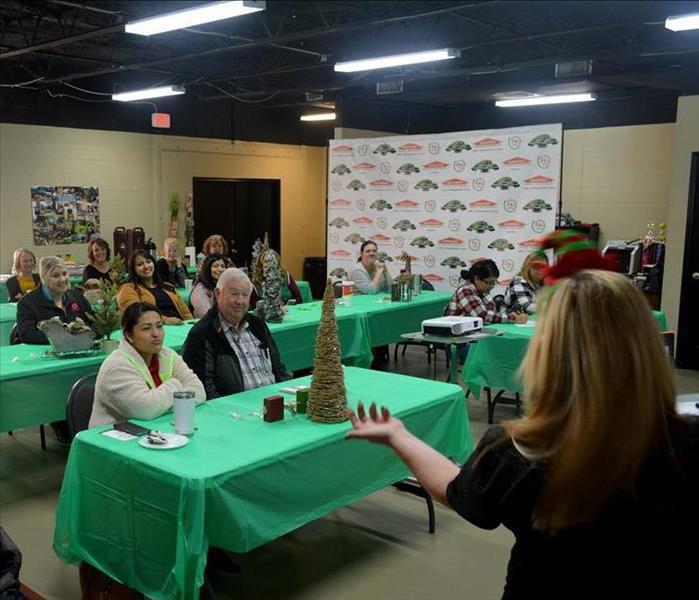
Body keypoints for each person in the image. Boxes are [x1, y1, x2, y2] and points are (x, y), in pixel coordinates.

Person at [347, 269, 698, 599]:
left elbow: (460, 494)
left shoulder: (517, 449)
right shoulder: (686, 442)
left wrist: (399, 436)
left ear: (549, 351)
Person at [89, 302, 205, 427]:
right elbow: (146, 409)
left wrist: (162, 405)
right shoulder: (116, 366)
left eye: (159, 326)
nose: (156, 334)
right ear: (128, 335)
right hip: (114, 439)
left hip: (159, 431)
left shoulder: (167, 354)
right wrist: (175, 385)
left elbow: (199, 392)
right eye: (146, 328)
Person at [182, 268, 290, 399]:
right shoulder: (202, 334)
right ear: (217, 294)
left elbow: (278, 368)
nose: (240, 301)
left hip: (273, 403)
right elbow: (204, 389)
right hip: (233, 412)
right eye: (234, 294)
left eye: (245, 295)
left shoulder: (257, 325)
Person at [15, 256, 94, 345]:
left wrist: (86, 331)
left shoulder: (77, 297)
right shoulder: (27, 303)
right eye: (56, 276)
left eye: (64, 274)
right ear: (44, 279)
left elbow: (96, 323)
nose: (63, 279)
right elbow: (27, 335)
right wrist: (66, 336)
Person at [116, 250, 192, 324]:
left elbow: (185, 312)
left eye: (148, 262)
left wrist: (191, 324)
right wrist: (165, 320)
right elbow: (135, 313)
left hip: (180, 325)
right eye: (140, 264)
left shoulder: (167, 286)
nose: (146, 266)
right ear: (133, 270)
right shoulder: (128, 288)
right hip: (154, 329)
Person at [446, 259, 528, 324]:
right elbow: (482, 315)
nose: (492, 286)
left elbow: (492, 313)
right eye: (489, 282)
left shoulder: (482, 290)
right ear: (477, 279)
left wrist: (510, 315)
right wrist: (510, 318)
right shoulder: (465, 290)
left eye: (494, 282)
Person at [189, 253, 232, 318]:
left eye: (223, 266)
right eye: (215, 266)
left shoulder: (224, 287)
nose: (220, 269)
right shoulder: (200, 290)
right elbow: (207, 315)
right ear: (208, 269)